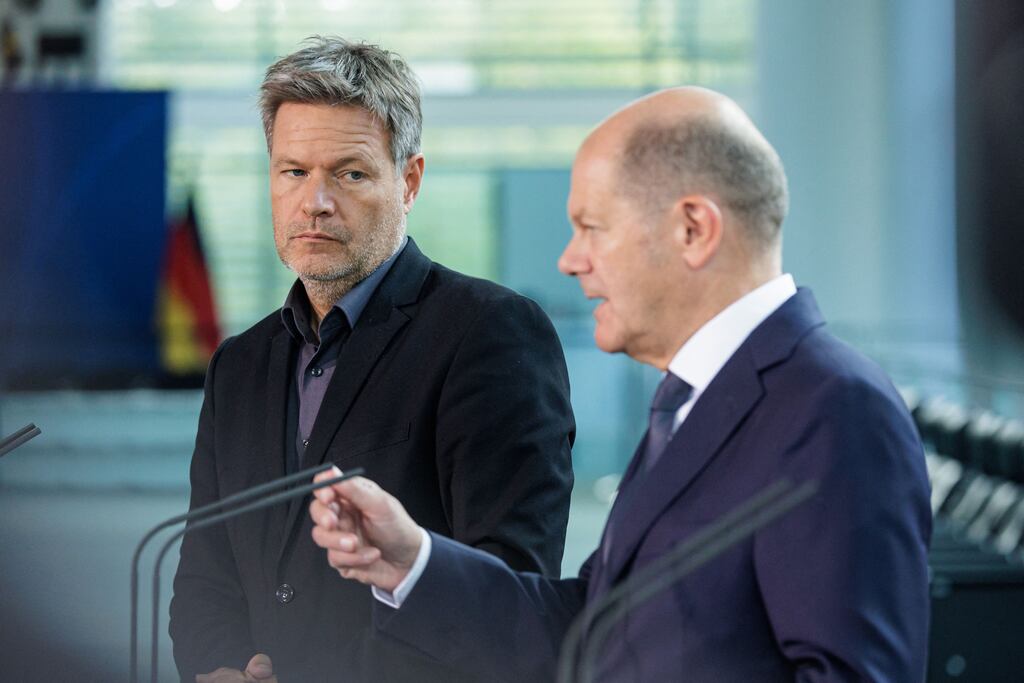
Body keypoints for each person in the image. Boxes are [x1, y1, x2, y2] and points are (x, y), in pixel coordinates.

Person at [309, 86, 932, 682]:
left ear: (693, 230)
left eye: (592, 227)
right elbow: (593, 630)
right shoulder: (689, 402)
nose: (570, 259)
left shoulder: (836, 409)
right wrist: (413, 563)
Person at [169, 37, 576, 683]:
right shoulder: (238, 365)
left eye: (350, 173)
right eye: (293, 171)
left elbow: (508, 583)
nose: (315, 201)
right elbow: (205, 572)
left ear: (408, 181)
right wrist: (220, 665)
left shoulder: (490, 332)